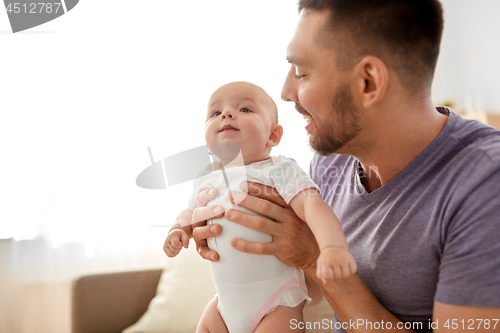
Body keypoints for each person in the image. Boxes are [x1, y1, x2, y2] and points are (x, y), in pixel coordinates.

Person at [188, 1, 500, 332]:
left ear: (368, 82)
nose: (285, 91)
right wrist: (250, 242)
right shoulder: (331, 159)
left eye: (302, 72)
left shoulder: (485, 183)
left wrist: (313, 255)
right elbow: (316, 295)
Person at [163, 81, 356, 333]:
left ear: (272, 135)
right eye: (215, 113)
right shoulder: (206, 177)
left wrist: (332, 247)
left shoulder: (278, 168)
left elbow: (312, 205)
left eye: (245, 109)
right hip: (224, 304)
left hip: (276, 303)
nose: (227, 114)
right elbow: (188, 213)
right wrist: (178, 230)